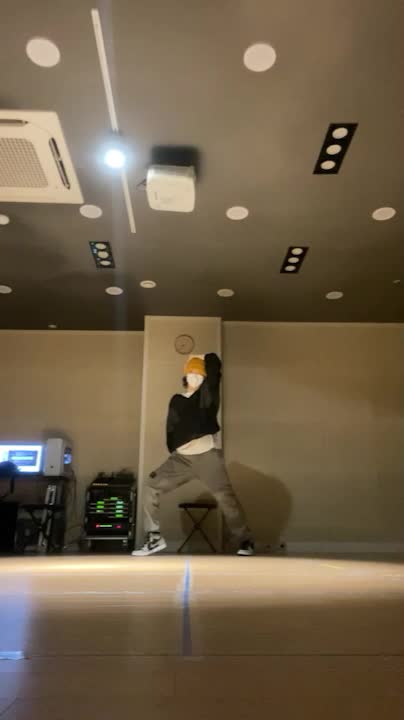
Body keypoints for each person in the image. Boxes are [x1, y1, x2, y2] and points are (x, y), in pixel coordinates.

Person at [133, 353, 254, 557]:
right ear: (185, 377)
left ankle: (245, 540)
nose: (195, 377)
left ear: (204, 378)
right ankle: (153, 538)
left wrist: (204, 357)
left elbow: (214, 368)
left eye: (199, 374)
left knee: (226, 498)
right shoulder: (177, 400)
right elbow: (174, 427)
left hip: (207, 458)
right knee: (150, 487)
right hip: (181, 460)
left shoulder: (207, 397)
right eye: (191, 373)